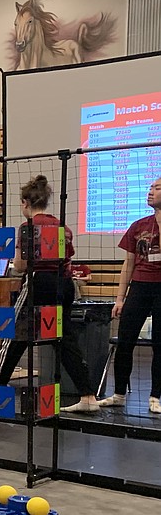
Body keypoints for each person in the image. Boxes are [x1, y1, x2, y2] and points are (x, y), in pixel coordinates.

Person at [0, 175, 100, 414]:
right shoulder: (64, 228)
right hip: (63, 285)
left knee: (13, 336)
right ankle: (88, 395)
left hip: (37, 283)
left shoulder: (28, 228)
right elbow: (67, 258)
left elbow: (21, 265)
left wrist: (12, 262)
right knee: (63, 339)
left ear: (24, 203)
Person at [99, 176, 161, 414]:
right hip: (140, 286)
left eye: (157, 188)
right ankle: (119, 394)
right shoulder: (138, 226)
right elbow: (128, 264)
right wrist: (119, 298)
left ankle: (155, 396)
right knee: (125, 340)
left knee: (159, 344)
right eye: (150, 187)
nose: (150, 191)